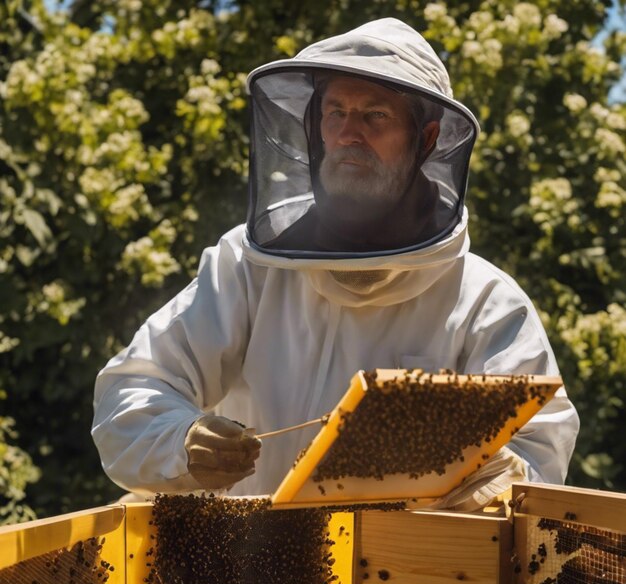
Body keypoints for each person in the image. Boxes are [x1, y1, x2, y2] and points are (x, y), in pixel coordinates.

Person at [92, 18, 579, 506]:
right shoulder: (249, 268)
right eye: (335, 113)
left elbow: (538, 453)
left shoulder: (486, 303)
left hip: (409, 575)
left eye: (375, 116)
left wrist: (495, 479)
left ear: (427, 139)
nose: (349, 134)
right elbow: (134, 390)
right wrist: (183, 441)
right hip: (241, 571)